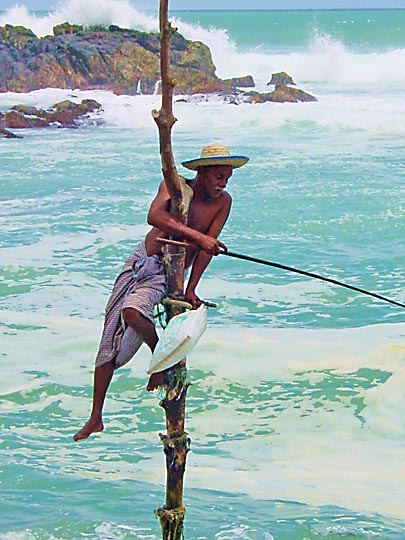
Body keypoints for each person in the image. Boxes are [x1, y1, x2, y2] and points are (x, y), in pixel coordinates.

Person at [73, 143, 249, 441]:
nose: (222, 183)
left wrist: (192, 289)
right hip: (142, 261)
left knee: (132, 311)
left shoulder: (223, 203)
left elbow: (207, 248)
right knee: (110, 334)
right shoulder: (176, 185)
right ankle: (96, 417)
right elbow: (154, 217)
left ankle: (161, 360)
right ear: (202, 173)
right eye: (218, 176)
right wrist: (197, 237)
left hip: (169, 273)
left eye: (227, 178)